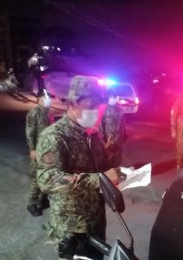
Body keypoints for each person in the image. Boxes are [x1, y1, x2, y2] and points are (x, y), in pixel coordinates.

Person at [36, 75, 121, 260]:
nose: (95, 110)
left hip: (96, 222)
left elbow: (101, 167)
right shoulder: (54, 136)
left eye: (98, 104)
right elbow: (48, 178)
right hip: (73, 227)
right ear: (73, 104)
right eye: (90, 104)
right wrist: (100, 179)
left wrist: (121, 174)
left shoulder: (92, 134)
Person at [25, 90, 55, 217]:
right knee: (37, 178)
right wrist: (32, 149)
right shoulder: (34, 113)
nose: (50, 99)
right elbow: (30, 132)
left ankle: (42, 201)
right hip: (39, 150)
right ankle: (32, 203)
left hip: (49, 151)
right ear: (39, 99)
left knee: (46, 176)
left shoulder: (49, 112)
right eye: (47, 97)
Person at [102, 89, 127, 168]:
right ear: (108, 97)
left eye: (116, 96)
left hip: (118, 141)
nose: (116, 98)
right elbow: (99, 127)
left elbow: (122, 124)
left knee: (117, 161)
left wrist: (125, 135)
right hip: (108, 142)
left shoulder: (119, 110)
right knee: (107, 162)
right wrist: (103, 142)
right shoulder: (102, 110)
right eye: (113, 96)